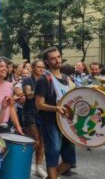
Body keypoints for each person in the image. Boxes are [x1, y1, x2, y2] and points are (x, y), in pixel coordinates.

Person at [35, 47, 76, 179]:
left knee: (69, 160)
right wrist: (56, 109)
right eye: (53, 58)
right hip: (50, 123)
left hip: (66, 123)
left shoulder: (66, 78)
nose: (57, 60)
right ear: (47, 61)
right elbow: (39, 104)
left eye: (58, 57)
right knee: (53, 156)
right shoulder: (44, 79)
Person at [21, 60, 47, 178]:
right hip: (29, 113)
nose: (41, 69)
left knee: (41, 142)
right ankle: (24, 164)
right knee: (34, 141)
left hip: (42, 113)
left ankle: (38, 168)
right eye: (38, 67)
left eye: (43, 67)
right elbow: (29, 94)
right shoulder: (28, 80)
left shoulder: (45, 80)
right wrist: (41, 92)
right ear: (32, 68)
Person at [0, 59, 24, 135]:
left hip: (4, 125)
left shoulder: (10, 85)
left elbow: (11, 107)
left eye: (6, 66)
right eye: (1, 66)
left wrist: (18, 126)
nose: (4, 68)